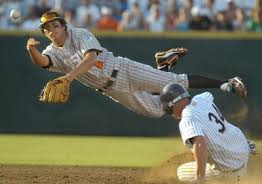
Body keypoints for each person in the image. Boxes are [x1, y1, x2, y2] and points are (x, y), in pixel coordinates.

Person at [26, 11, 247, 118]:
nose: (52, 30)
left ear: (64, 26)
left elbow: (91, 58)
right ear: (45, 33)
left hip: (123, 70)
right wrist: (32, 50)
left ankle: (226, 83)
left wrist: (68, 77)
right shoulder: (51, 51)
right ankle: (163, 64)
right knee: (156, 112)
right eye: (47, 29)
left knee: (174, 82)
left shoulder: (80, 34)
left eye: (55, 25)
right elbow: (44, 63)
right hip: (112, 89)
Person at [159, 83, 256, 184]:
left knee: (181, 171)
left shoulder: (187, 119)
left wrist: (199, 177)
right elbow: (208, 94)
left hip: (230, 170)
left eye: (168, 109)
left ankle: (225, 179)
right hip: (243, 149)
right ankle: (248, 150)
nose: (170, 113)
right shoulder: (202, 98)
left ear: (173, 104)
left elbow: (200, 144)